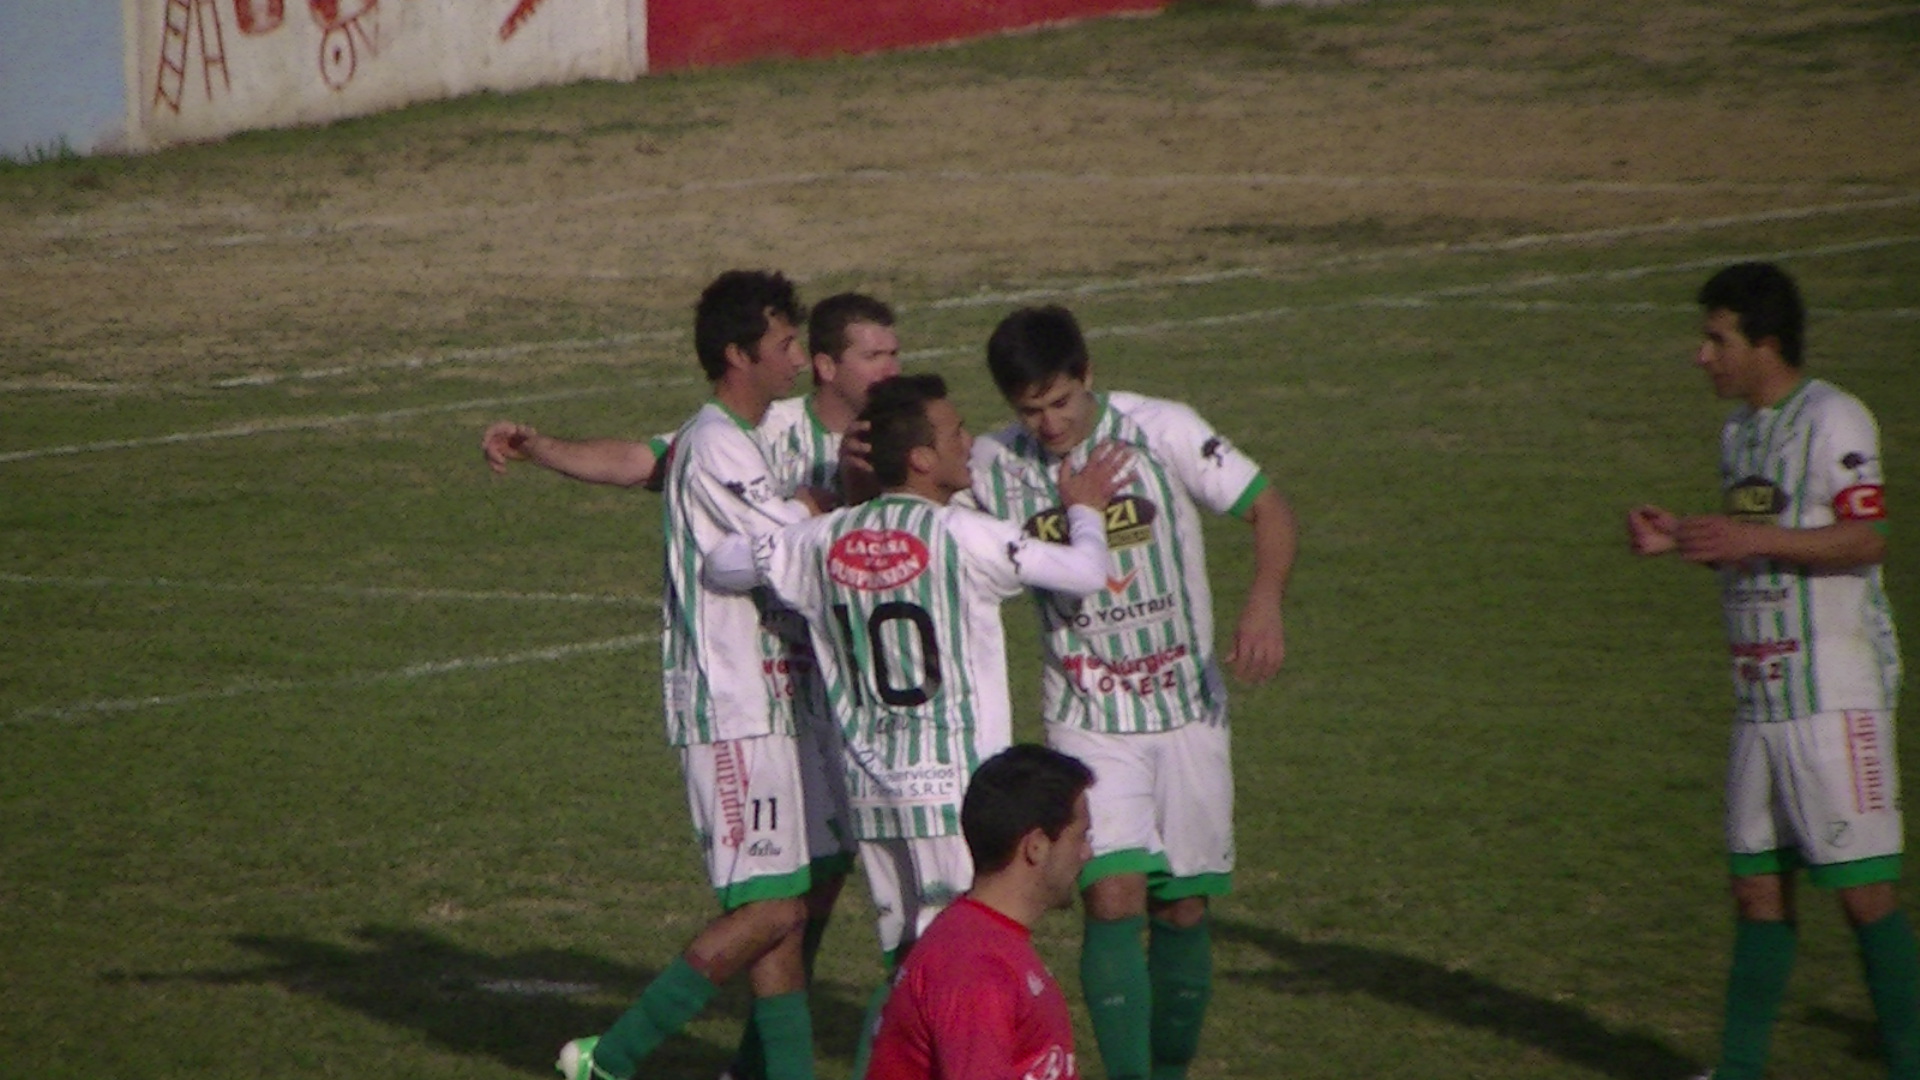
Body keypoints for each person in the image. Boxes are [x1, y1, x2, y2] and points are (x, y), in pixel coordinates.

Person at [483, 289, 902, 1080]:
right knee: (771, 907)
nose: (791, 351)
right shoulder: (725, 443)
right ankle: (608, 1060)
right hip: (735, 705)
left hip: (797, 702)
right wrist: (837, 497)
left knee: (797, 899)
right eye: (782, 341)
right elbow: (780, 542)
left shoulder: (753, 435)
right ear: (751, 356)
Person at [704, 373, 1127, 1071]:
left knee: (907, 964)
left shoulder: (820, 540)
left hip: (872, 795)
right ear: (923, 460)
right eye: (956, 433)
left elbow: (722, 562)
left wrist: (805, 516)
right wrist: (1082, 510)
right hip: (957, 797)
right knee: (952, 971)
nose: (970, 442)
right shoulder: (966, 533)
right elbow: (1084, 572)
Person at [966, 304, 1298, 1080]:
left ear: (1086, 375)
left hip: (1187, 709)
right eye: (1030, 410)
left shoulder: (1164, 428)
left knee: (1182, 908)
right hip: (1088, 716)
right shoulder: (995, 464)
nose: (1049, 424)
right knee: (1110, 897)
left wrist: (1265, 600)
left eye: (1060, 402)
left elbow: (1269, 508)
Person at [1627, 262, 1915, 1080]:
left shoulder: (1835, 418)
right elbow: (1757, 544)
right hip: (1758, 701)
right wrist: (1682, 536)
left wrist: (1750, 540)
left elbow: (1868, 540)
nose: (1701, 356)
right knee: (1756, 893)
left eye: (1716, 339)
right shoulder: (1740, 434)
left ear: (1765, 343)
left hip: (1833, 698)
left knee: (1863, 897)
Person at [863, 743, 1096, 1080]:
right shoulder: (976, 969)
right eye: (1080, 837)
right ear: (1037, 847)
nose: (1087, 853)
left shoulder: (988, 942)